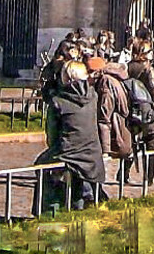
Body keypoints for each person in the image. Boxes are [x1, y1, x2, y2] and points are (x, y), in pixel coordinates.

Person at [40, 58, 105, 210]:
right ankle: (79, 204)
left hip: (68, 152)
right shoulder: (92, 96)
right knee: (78, 176)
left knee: (41, 167)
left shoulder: (57, 102)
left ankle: (50, 209)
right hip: (92, 152)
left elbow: (52, 135)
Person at [87, 56, 133, 185]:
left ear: (96, 72)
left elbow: (104, 117)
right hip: (124, 125)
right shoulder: (115, 77)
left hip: (116, 128)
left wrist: (105, 149)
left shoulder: (105, 83)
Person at [125, 39, 154, 184]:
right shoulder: (148, 68)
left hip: (131, 108)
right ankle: (149, 177)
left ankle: (123, 172)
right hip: (146, 109)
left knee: (132, 143)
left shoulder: (128, 67)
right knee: (150, 142)